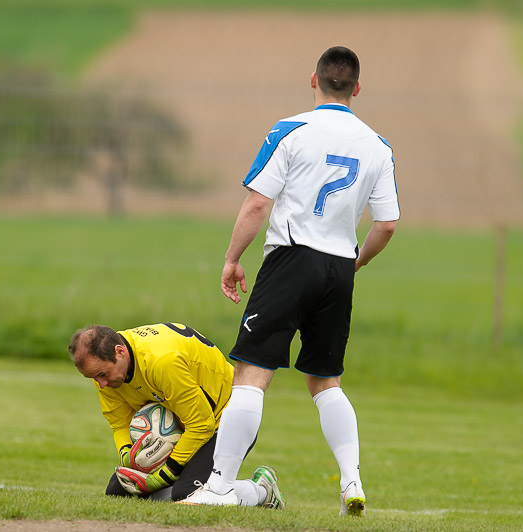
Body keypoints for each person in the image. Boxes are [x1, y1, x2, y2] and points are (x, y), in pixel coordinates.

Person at [178, 46, 399, 516]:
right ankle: (352, 481)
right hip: (338, 270)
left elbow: (258, 203)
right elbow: (386, 225)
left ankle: (219, 486)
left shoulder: (290, 130)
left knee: (251, 374)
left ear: (313, 79)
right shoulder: (379, 146)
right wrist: (356, 263)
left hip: (290, 261)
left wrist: (232, 258)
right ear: (357, 88)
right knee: (326, 381)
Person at [67, 323, 285, 508]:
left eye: (103, 374)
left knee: (187, 493)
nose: (101, 384)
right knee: (119, 491)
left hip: (225, 422)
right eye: (93, 378)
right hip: (184, 426)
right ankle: (183, 490)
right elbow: (120, 424)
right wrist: (129, 456)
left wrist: (165, 474)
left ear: (120, 351)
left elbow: (202, 425)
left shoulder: (162, 361)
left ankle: (261, 490)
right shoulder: (105, 375)